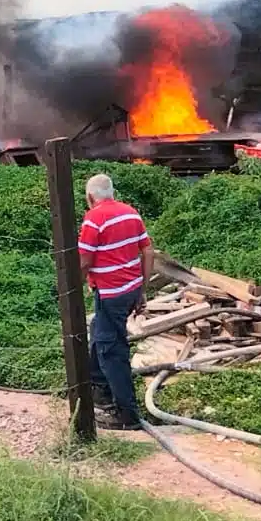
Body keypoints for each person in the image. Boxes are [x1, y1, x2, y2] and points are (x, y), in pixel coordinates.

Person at [77, 173, 155, 430]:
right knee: (97, 332)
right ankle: (98, 387)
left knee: (112, 351)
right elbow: (147, 249)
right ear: (112, 192)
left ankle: (126, 415)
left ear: (90, 197)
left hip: (112, 294)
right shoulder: (131, 212)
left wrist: (70, 287)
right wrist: (142, 290)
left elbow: (85, 260)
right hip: (130, 289)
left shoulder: (93, 218)